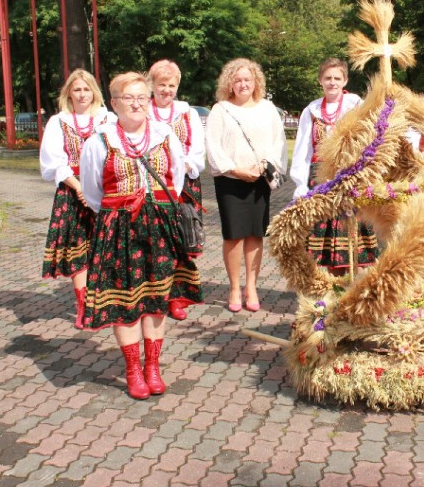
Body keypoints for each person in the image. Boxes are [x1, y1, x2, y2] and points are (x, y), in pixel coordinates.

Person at [79, 72, 203, 399]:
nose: (136, 104)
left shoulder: (164, 135)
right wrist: (120, 210)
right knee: (126, 300)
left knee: (157, 298)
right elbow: (93, 192)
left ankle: (153, 366)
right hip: (118, 229)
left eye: (141, 98)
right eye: (128, 98)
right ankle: (133, 368)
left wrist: (154, 207)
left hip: (159, 227)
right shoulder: (99, 141)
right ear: (114, 103)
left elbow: (176, 180)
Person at [205, 58, 286, 312]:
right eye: (238, 80)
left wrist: (264, 166)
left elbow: (278, 142)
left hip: (259, 180)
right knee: (233, 235)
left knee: (255, 234)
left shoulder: (268, 108)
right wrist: (236, 170)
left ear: (256, 82)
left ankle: (251, 286)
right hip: (230, 181)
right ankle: (233, 287)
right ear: (229, 82)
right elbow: (213, 146)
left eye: (247, 80)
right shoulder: (220, 109)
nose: (243, 84)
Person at [289, 58, 378, 274]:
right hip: (320, 178)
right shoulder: (311, 110)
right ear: (320, 80)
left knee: (350, 233)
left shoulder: (355, 105)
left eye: (337, 78)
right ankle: (325, 286)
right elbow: (303, 148)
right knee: (321, 234)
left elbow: (368, 139)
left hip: (349, 176)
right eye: (327, 78)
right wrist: (301, 183)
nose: (332, 82)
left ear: (345, 80)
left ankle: (348, 286)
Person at [40, 69, 109, 329]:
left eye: (87, 89)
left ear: (95, 92)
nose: (82, 94)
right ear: (69, 92)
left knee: (102, 248)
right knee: (78, 249)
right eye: (77, 89)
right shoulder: (59, 122)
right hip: (72, 192)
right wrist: (79, 186)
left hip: (104, 190)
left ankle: (100, 301)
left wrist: (94, 186)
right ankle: (83, 306)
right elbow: (53, 161)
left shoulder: (106, 119)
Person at [147, 59, 206, 321]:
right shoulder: (142, 111)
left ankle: (177, 298)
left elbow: (198, 149)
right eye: (161, 84)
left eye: (171, 85)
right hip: (151, 186)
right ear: (152, 85)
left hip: (183, 187)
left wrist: (184, 164)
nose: (166, 90)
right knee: (153, 243)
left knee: (182, 243)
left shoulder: (187, 113)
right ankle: (154, 296)